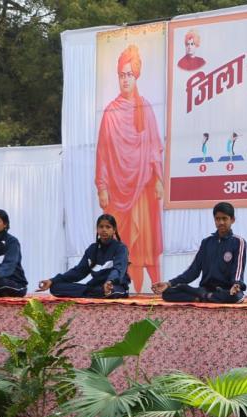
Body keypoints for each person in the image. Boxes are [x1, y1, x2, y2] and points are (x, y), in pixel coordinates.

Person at [96, 44, 164, 293]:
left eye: (129, 74)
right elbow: (103, 154)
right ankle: (121, 288)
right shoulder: (110, 112)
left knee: (145, 242)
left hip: (143, 189)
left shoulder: (145, 108)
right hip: (118, 191)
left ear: (136, 76)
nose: (125, 80)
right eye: (121, 75)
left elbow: (155, 146)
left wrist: (159, 179)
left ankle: (155, 290)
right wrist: (102, 187)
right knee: (123, 244)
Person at [152, 202, 247, 303]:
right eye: (217, 219)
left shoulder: (238, 242)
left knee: (237, 297)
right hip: (205, 289)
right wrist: (168, 284)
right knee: (167, 293)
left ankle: (203, 297)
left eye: (224, 218)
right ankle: (205, 297)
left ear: (232, 220)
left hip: (228, 290)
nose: (221, 222)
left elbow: (238, 269)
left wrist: (237, 284)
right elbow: (193, 271)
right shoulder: (206, 242)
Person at [37, 214, 130, 299]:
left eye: (108, 227)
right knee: (55, 287)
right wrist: (52, 280)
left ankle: (97, 293)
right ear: (97, 229)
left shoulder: (120, 248)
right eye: (101, 227)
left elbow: (118, 270)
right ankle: (94, 294)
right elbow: (78, 272)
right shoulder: (92, 249)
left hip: (114, 286)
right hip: (95, 287)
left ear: (114, 230)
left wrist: (110, 281)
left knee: (110, 291)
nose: (104, 230)